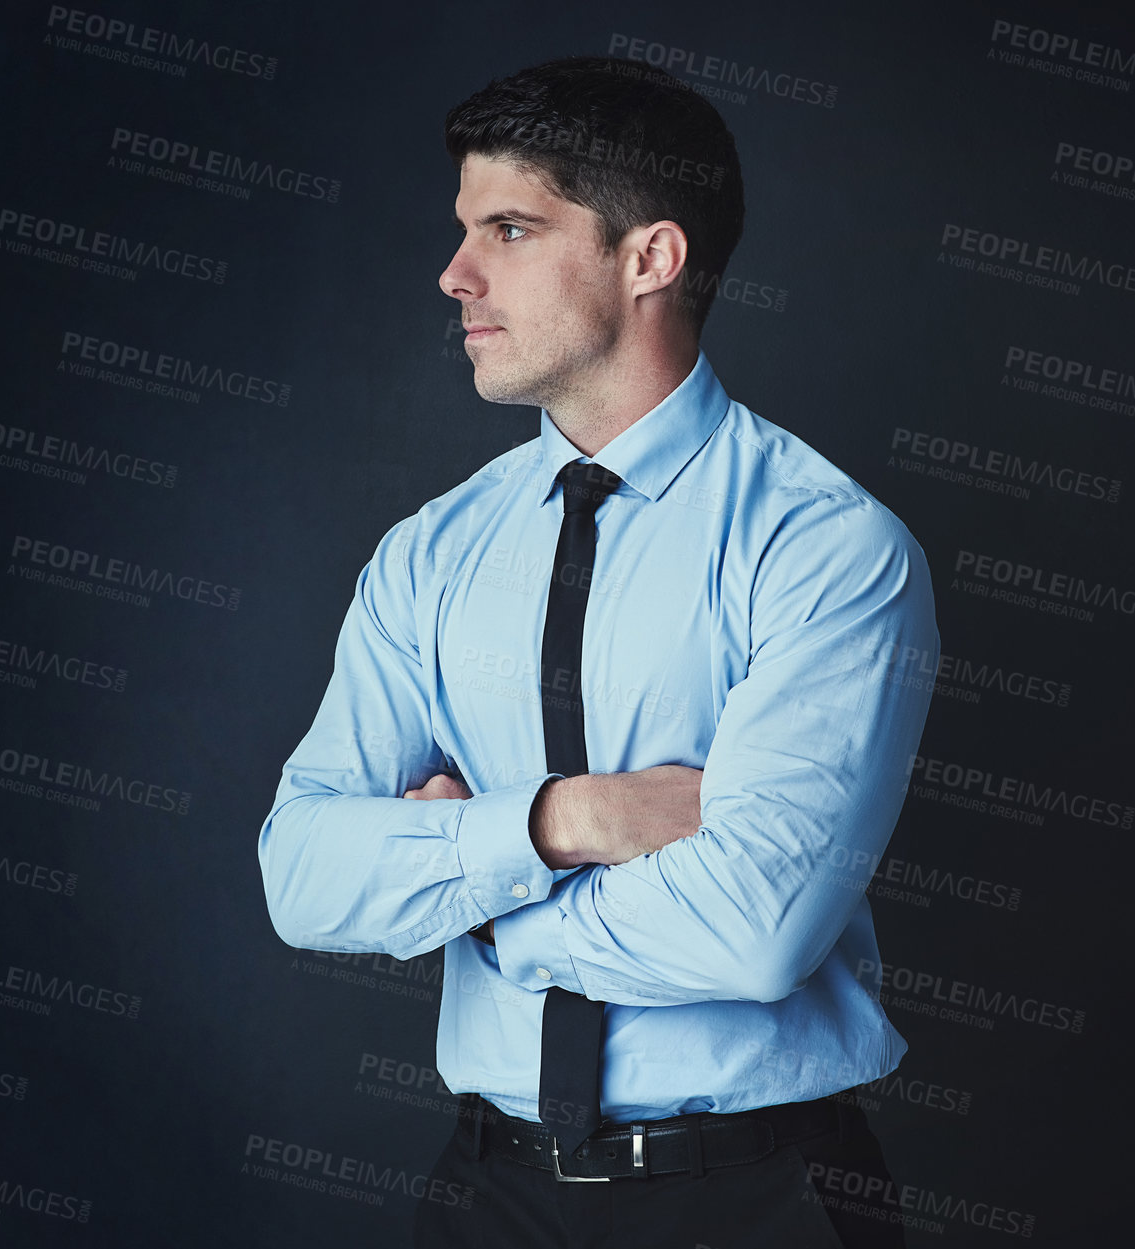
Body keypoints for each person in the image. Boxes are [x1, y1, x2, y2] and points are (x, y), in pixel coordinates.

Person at [258, 55, 938, 1248]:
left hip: (763, 1196)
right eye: (464, 229)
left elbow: (756, 928)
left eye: (509, 228)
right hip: (487, 1192)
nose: (454, 273)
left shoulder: (824, 548)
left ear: (649, 257)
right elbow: (301, 875)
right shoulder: (430, 552)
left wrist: (466, 898)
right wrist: (562, 823)